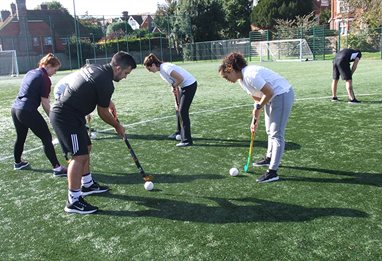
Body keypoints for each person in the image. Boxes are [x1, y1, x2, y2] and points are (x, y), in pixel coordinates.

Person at [50, 51, 137, 214]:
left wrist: (107, 100)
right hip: (66, 117)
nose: (125, 77)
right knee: (78, 156)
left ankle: (87, 184)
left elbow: (90, 86)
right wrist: (117, 126)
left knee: (87, 147)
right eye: (126, 73)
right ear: (118, 68)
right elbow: (102, 112)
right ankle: (73, 201)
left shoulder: (96, 68)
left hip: (74, 115)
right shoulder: (106, 82)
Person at [218, 52, 294, 183]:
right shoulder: (242, 81)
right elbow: (258, 99)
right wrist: (254, 121)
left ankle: (272, 172)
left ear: (231, 69)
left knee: (276, 134)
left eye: (226, 75)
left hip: (281, 95)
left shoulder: (250, 74)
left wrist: (258, 108)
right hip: (271, 98)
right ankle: (269, 158)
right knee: (269, 131)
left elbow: (269, 92)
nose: (226, 79)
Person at [11, 53, 67, 177]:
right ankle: (57, 169)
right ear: (48, 65)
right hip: (27, 110)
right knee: (46, 137)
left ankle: (18, 163)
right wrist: (53, 119)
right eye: (55, 69)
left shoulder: (31, 72)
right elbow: (45, 102)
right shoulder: (44, 78)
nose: (55, 73)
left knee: (21, 136)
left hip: (15, 109)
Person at [143, 53, 197, 147]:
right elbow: (174, 85)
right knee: (178, 109)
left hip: (190, 85)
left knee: (183, 111)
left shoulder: (166, 68)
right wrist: (176, 102)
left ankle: (187, 140)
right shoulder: (161, 73)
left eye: (149, 69)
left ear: (153, 65)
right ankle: (179, 133)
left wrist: (175, 86)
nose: (149, 71)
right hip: (183, 87)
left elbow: (180, 79)